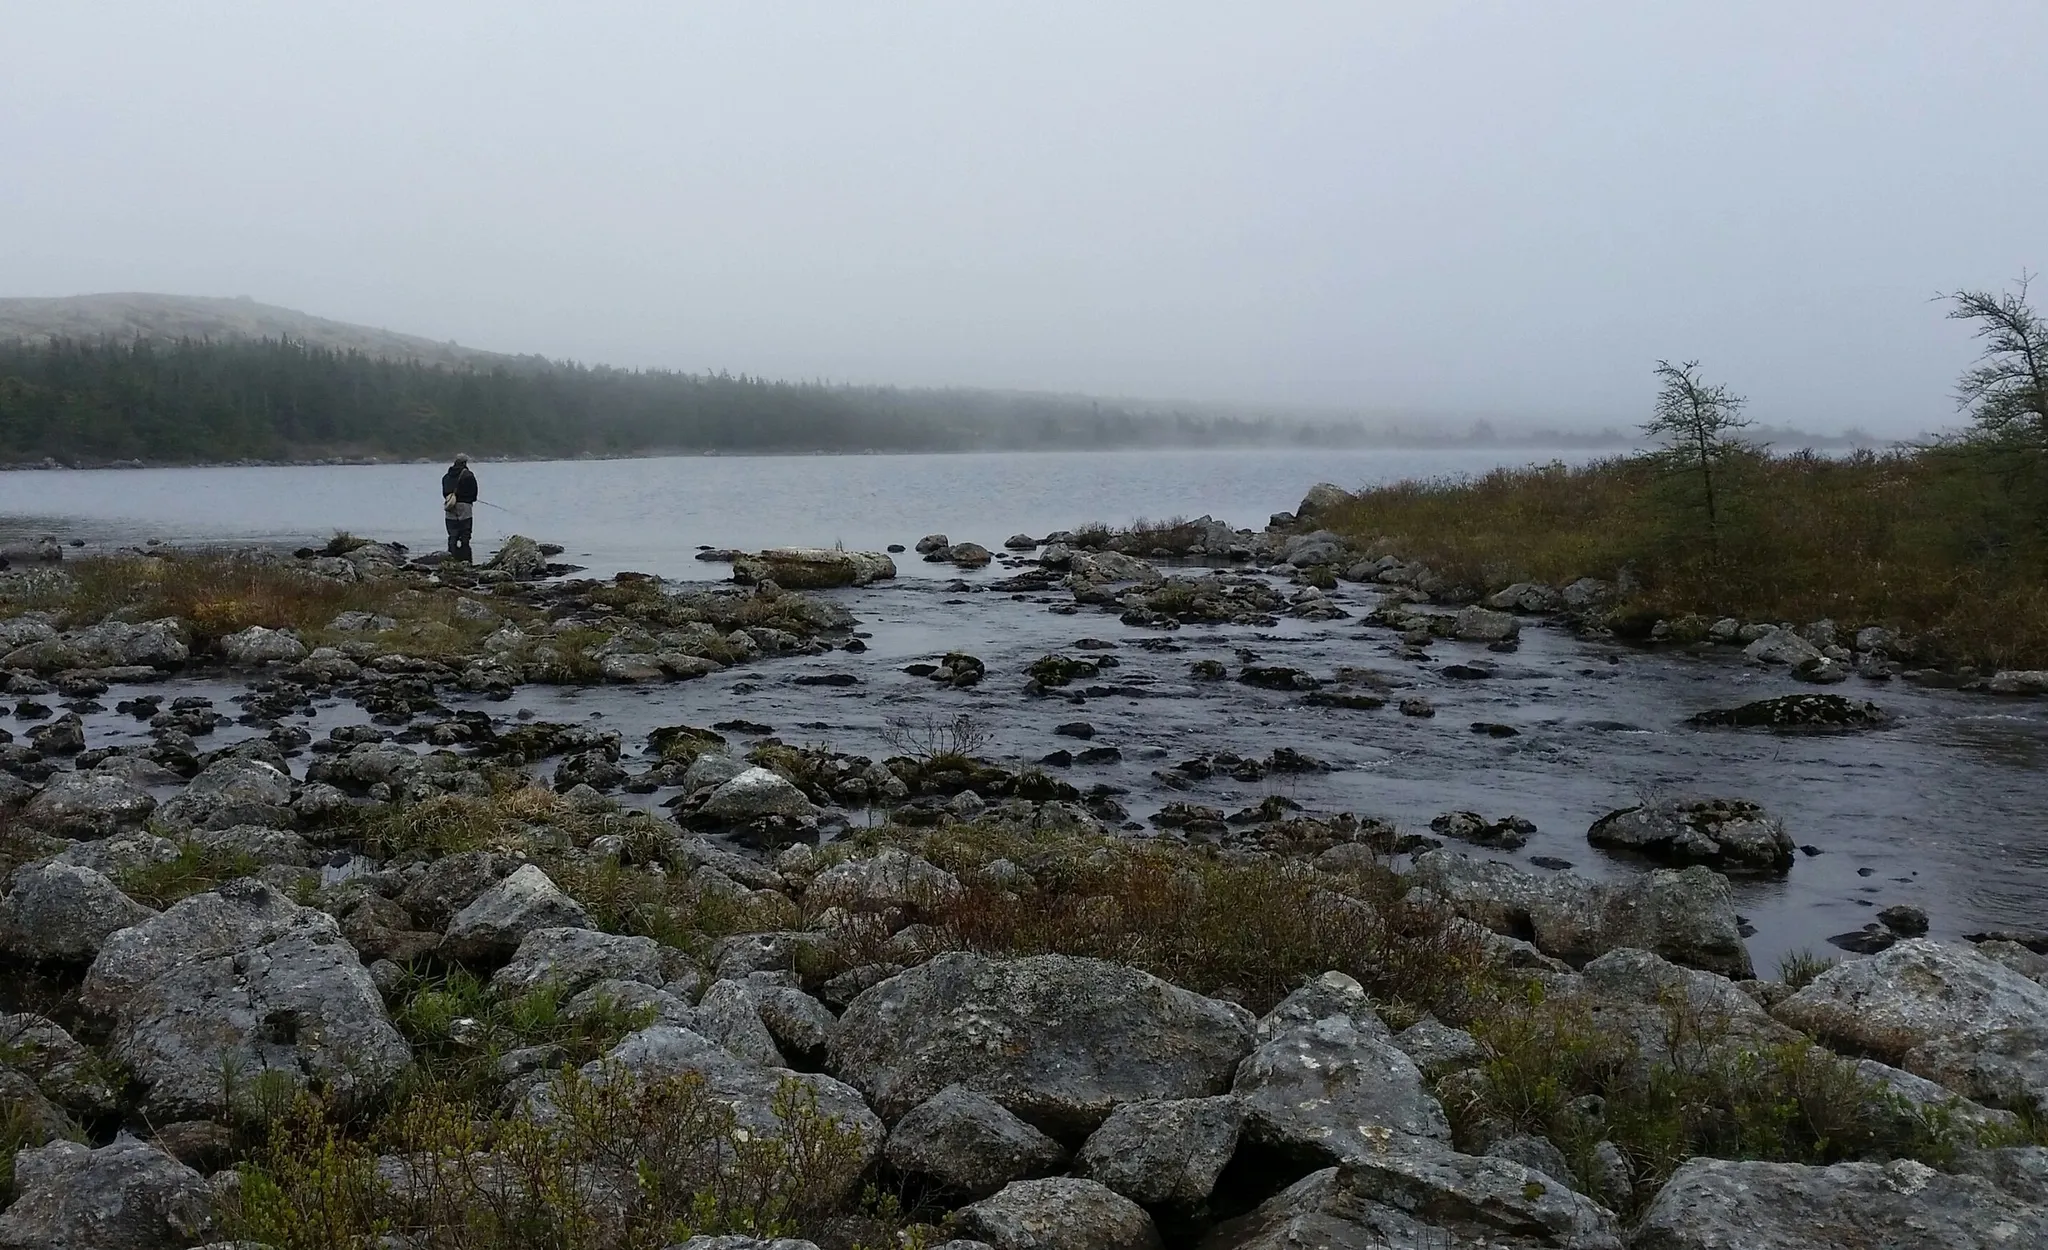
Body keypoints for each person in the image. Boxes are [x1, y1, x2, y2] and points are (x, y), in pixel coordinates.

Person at [441, 453, 478, 562]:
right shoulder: (469, 475)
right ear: (465, 463)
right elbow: (474, 492)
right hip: (465, 506)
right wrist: (470, 499)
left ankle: (451, 558)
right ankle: (466, 559)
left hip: (450, 505)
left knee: (452, 533)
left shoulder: (446, 476)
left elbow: (445, 493)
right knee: (465, 533)